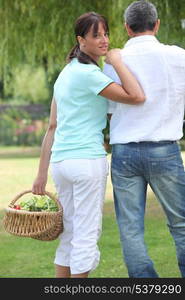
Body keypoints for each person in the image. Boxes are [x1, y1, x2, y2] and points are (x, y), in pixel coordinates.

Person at [32, 11, 145, 278]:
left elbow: (52, 126)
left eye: (106, 34)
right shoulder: (89, 75)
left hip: (61, 164)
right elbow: (137, 96)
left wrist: (40, 174)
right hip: (85, 163)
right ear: (81, 40)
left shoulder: (66, 74)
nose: (104, 40)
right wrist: (116, 61)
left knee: (70, 233)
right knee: (85, 235)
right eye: (97, 35)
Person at [103, 0, 185, 278]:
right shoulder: (178, 56)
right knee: (181, 225)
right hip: (165, 150)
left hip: (125, 152)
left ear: (127, 28)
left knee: (130, 228)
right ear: (157, 24)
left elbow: (112, 112)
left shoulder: (114, 61)